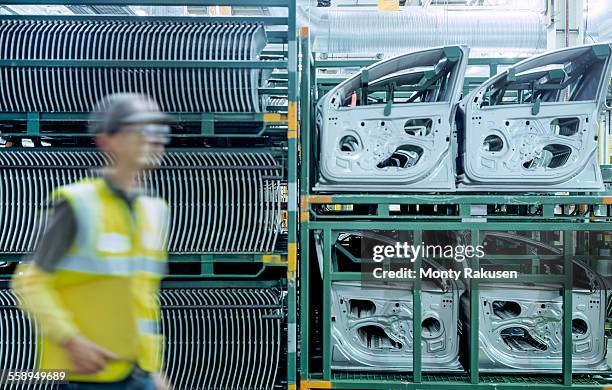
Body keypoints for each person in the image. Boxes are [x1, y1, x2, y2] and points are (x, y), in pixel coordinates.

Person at [11, 93, 173, 390]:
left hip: (139, 376)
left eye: (161, 132)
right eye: (143, 131)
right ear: (107, 141)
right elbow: (28, 282)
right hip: (87, 377)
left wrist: (153, 371)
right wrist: (71, 341)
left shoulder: (155, 211)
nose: (156, 140)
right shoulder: (75, 205)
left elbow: (141, 299)